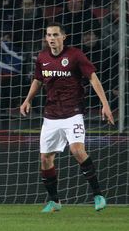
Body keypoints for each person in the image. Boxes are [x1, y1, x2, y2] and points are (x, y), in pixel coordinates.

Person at [19, 23, 113, 213]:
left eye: (55, 35)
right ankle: (55, 202)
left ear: (64, 37)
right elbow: (38, 80)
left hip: (73, 113)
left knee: (77, 150)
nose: (51, 38)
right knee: (46, 158)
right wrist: (27, 100)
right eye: (48, 35)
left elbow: (93, 78)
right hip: (51, 115)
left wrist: (105, 104)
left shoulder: (75, 55)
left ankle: (98, 195)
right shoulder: (42, 57)